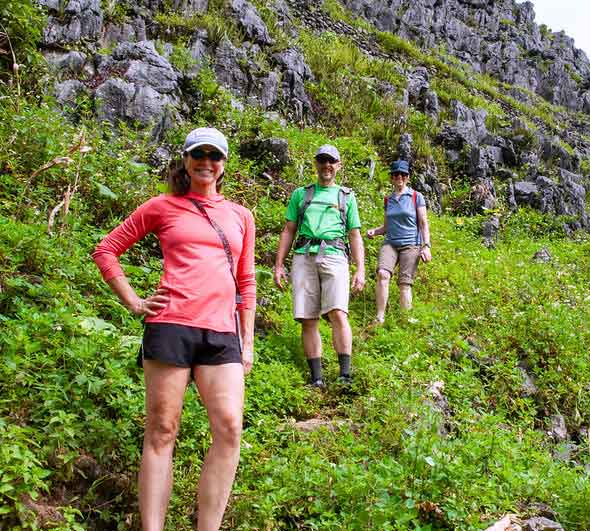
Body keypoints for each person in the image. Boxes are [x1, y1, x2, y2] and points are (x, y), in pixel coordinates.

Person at [92, 127, 255, 531]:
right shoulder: (162, 207)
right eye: (198, 154)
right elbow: (106, 249)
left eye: (214, 155)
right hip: (171, 326)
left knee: (230, 428)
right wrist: (133, 300)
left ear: (223, 165)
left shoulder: (240, 216)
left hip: (222, 335)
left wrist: (246, 341)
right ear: (184, 160)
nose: (206, 161)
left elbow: (246, 281)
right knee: (163, 430)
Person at [273, 144, 365, 388]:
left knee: (337, 312)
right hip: (304, 256)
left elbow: (354, 235)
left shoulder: (346, 196)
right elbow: (289, 230)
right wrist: (279, 264)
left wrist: (361, 269)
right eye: (322, 161)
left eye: (331, 161)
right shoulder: (301, 195)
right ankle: (317, 379)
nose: (326, 165)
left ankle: (345, 374)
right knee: (308, 318)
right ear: (316, 164)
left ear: (338, 165)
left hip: (335, 255)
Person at [366, 160, 431, 323]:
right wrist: (375, 231)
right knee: (382, 274)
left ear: (408, 177)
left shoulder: (417, 196)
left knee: (404, 284)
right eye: (396, 174)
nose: (399, 177)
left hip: (411, 244)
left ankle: (405, 320)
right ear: (391, 178)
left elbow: (423, 223)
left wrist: (426, 246)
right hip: (391, 243)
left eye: (403, 174)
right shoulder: (388, 200)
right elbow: (387, 226)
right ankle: (380, 317)